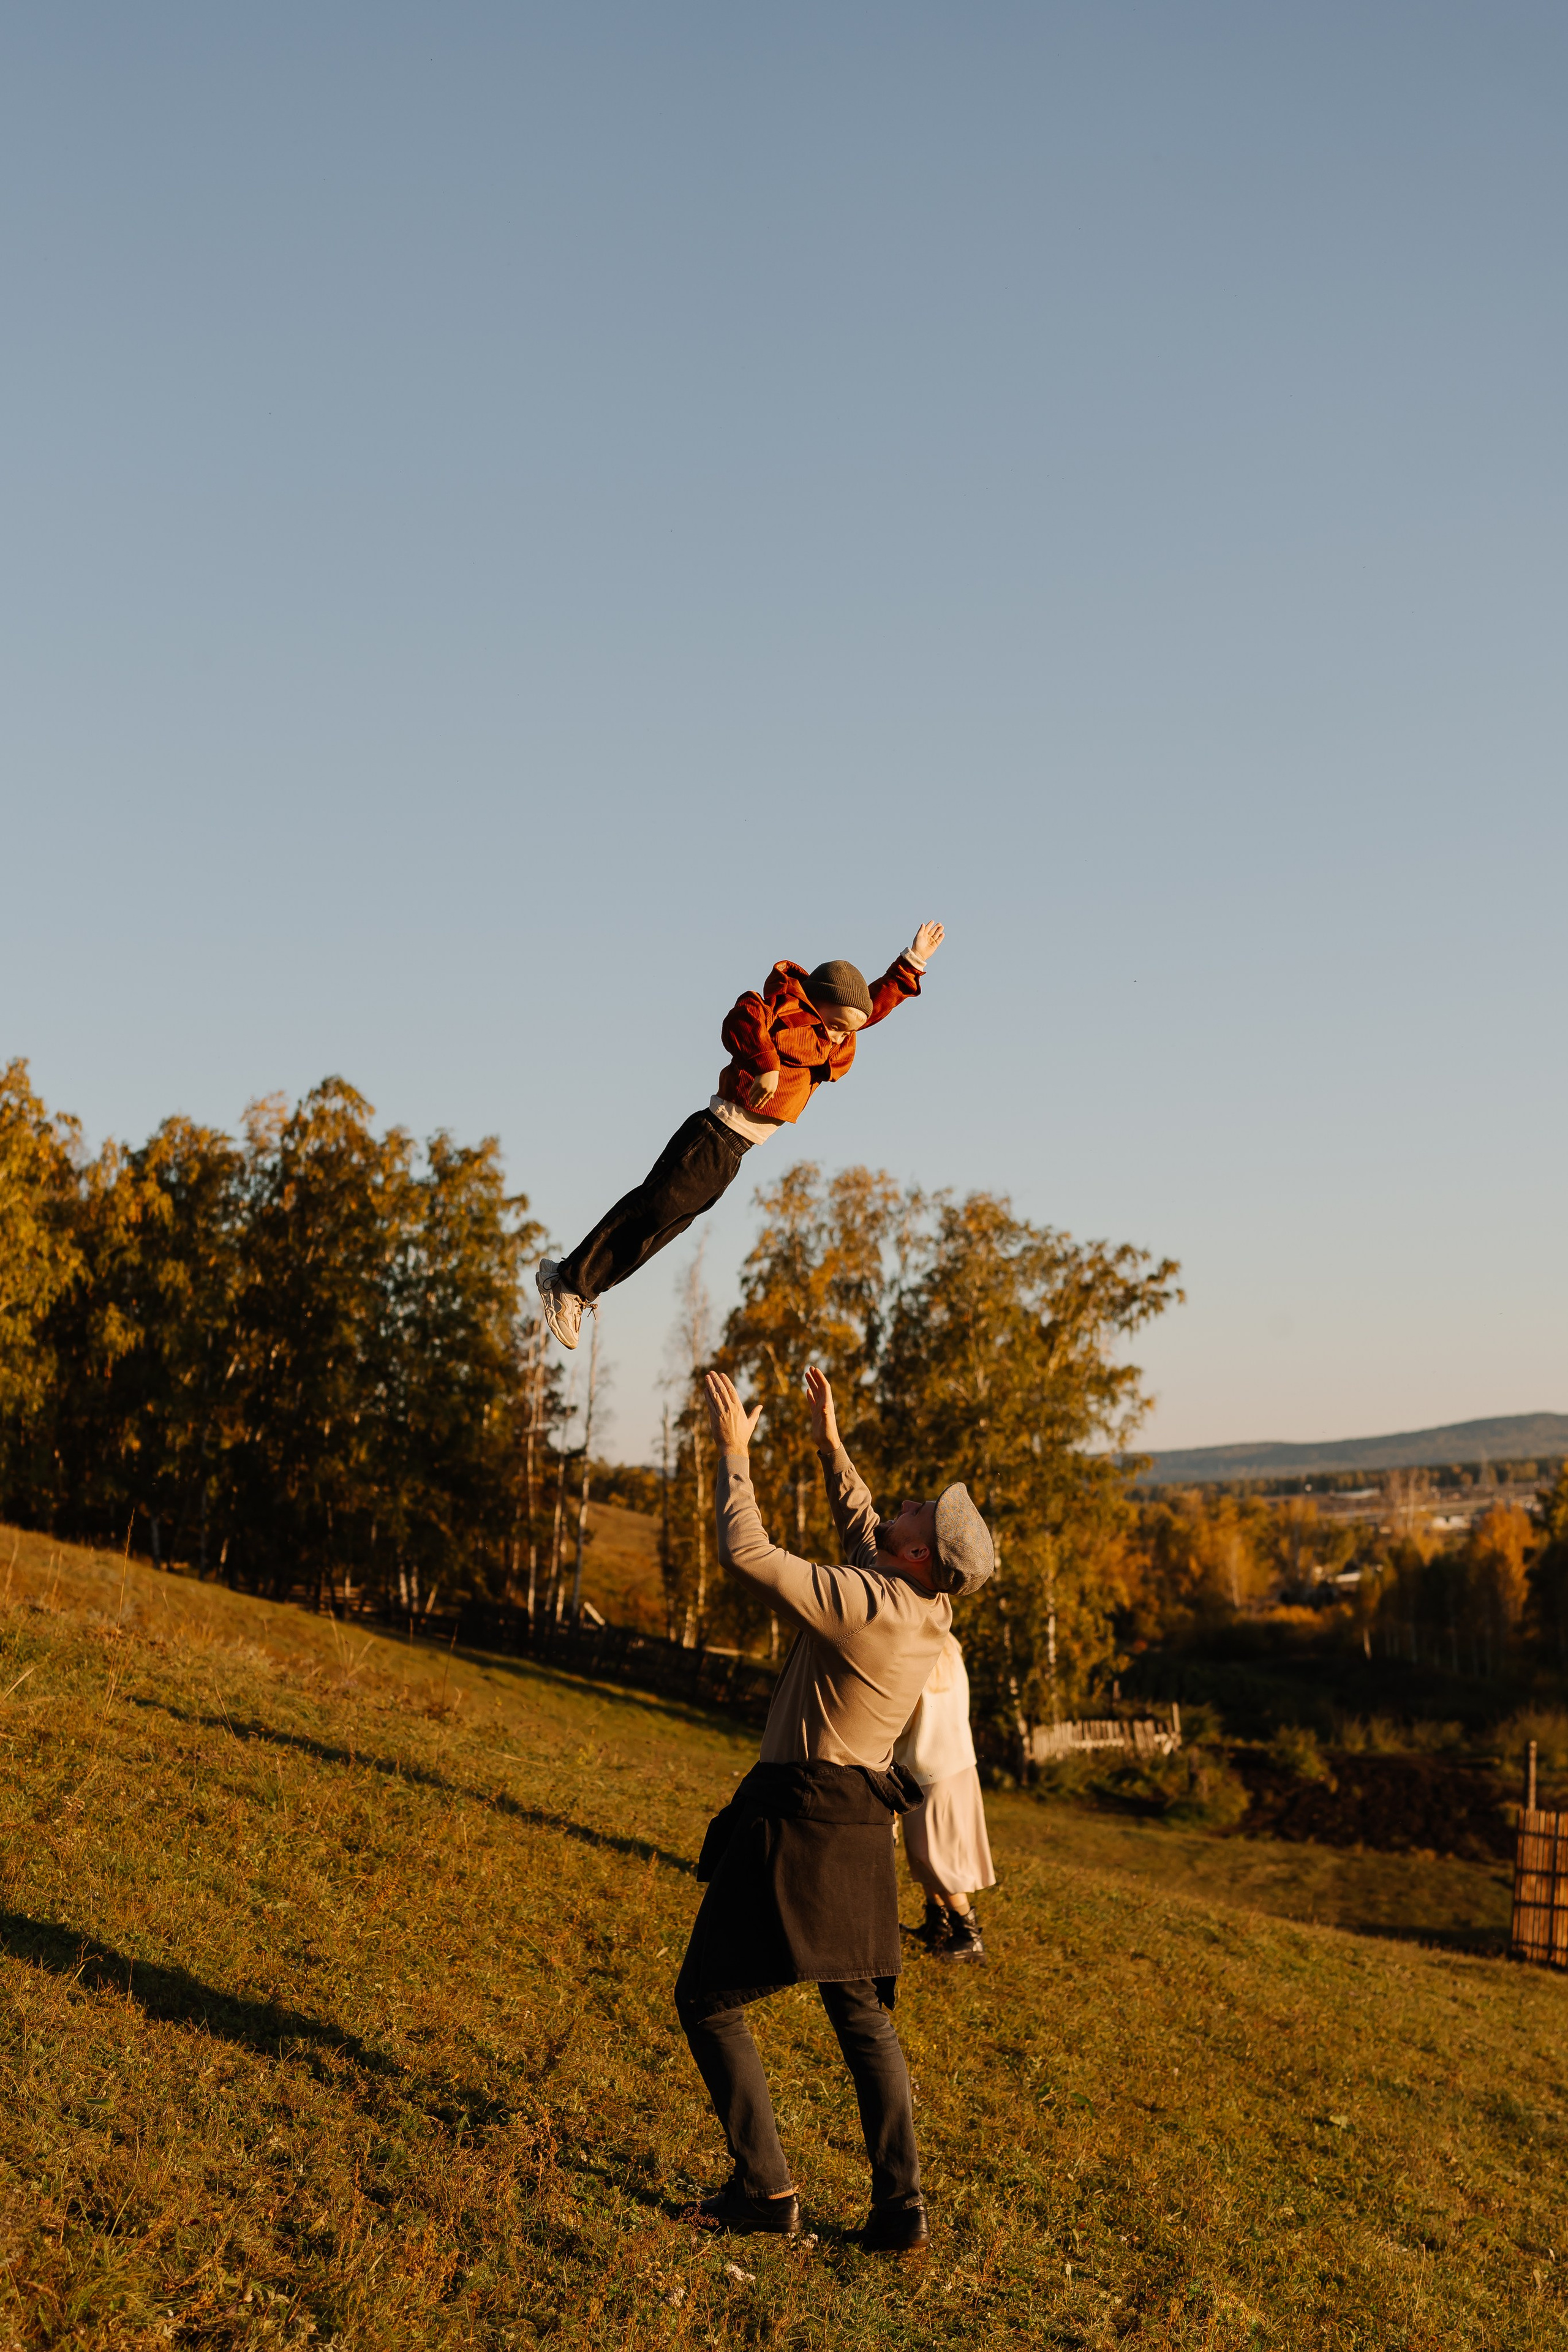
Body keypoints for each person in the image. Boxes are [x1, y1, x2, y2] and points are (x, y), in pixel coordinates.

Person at [676, 1364, 994, 2255]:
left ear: (920, 1555)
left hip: (800, 1826)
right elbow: (867, 1529)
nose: (900, 1510)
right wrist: (829, 1445)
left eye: (916, 1517)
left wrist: (736, 1456)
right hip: (860, 1830)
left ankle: (764, 2190)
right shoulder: (923, 1613)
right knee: (863, 2021)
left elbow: (751, 1554)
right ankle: (901, 2213)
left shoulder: (868, 1606)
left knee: (706, 1999)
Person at [535, 924, 944, 1348]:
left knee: (661, 1229)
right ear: (815, 1003)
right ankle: (568, 1283)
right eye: (837, 1025)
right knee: (651, 1210)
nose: (841, 1037)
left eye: (848, 1031)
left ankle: (583, 1288)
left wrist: (913, 961)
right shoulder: (780, 1012)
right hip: (715, 1132)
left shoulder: (834, 1031)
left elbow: (870, 1005)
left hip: (735, 1151)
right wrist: (766, 1062)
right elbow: (741, 1019)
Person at [894, 1634, 995, 1962]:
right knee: (924, 1850)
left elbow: (902, 1715)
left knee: (934, 1855)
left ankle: (969, 1934)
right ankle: (937, 1924)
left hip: (931, 1766)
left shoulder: (915, 1649)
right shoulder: (949, 1643)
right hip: (953, 1759)